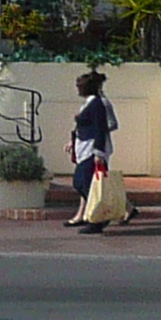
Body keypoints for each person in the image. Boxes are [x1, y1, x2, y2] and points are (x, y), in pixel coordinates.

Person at [65, 67, 117, 231]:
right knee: (80, 183)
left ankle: (98, 219)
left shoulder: (97, 104)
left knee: (85, 182)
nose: (78, 89)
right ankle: (95, 215)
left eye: (79, 86)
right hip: (82, 147)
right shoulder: (89, 104)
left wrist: (98, 152)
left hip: (91, 149)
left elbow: (101, 128)